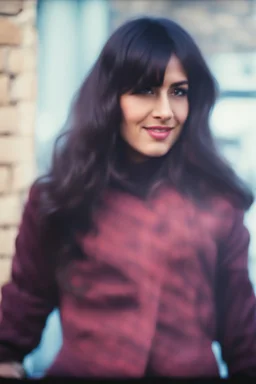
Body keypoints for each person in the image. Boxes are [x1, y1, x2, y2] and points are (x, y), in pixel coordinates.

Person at [0, 16, 255, 379]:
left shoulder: (218, 204)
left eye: (179, 92)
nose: (165, 111)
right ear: (110, 98)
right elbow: (21, 312)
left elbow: (243, 336)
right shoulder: (61, 198)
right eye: (146, 90)